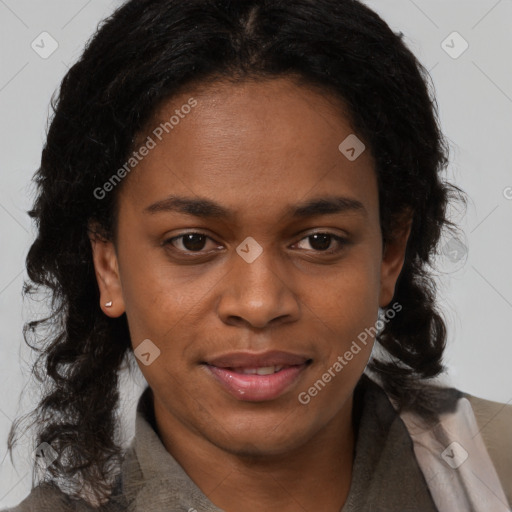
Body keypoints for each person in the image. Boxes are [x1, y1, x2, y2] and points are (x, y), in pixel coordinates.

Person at [3, 0, 511, 511]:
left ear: (390, 254)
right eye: (193, 241)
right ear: (108, 267)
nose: (260, 302)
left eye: (319, 240)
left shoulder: (497, 471)